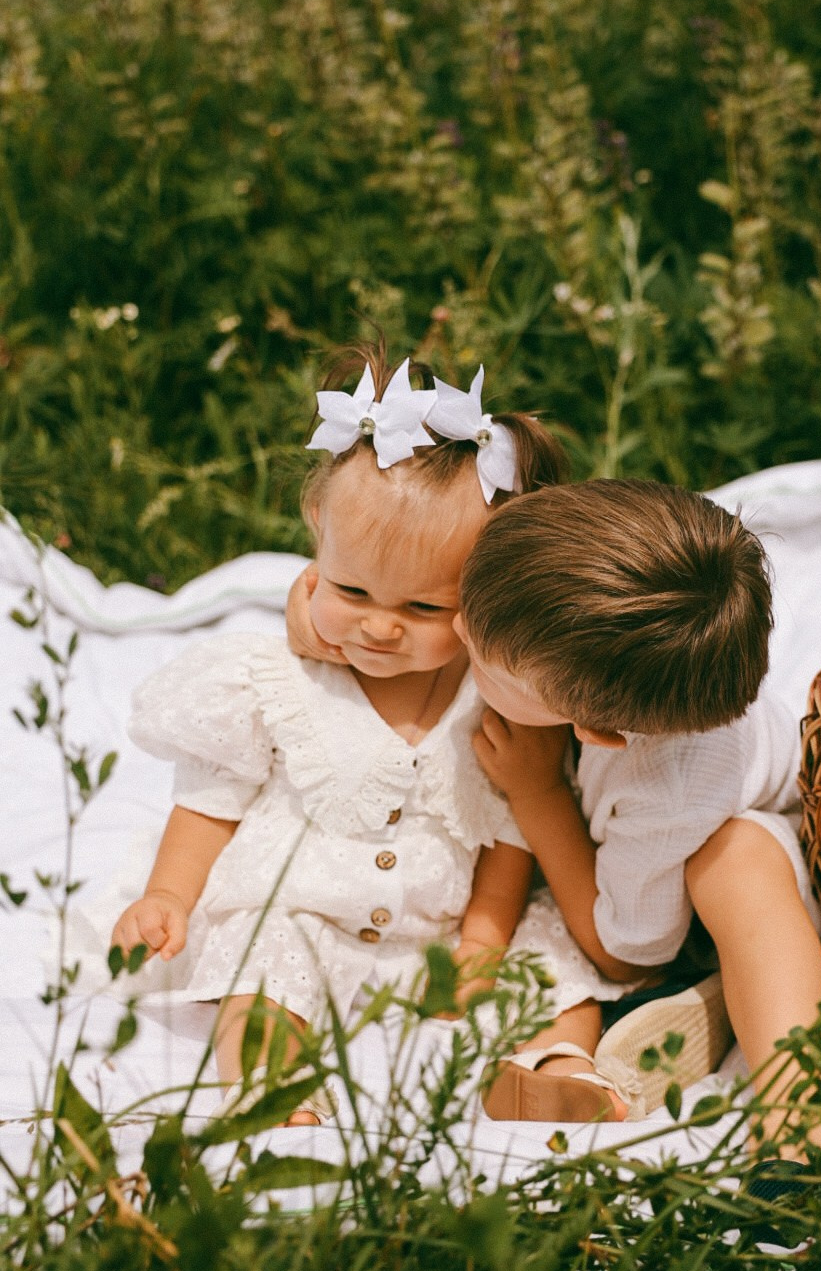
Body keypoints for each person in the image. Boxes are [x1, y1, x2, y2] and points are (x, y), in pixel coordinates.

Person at [110, 346, 640, 1127]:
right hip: (303, 909)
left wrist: (485, 940)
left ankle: (552, 1067)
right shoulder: (273, 679)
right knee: (262, 963)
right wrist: (168, 893)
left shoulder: (495, 694)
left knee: (548, 961)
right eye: (353, 591)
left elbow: (505, 829)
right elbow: (210, 798)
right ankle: (268, 1085)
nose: (381, 627)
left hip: (444, 929)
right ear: (316, 535)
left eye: (426, 610)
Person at [288, 475, 821, 1155]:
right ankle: (641, 1030)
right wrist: (311, 614)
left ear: (593, 732)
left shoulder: (666, 783)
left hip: (743, 884)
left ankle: (797, 1124)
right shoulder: (561, 617)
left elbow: (625, 948)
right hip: (632, 860)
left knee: (736, 857)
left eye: (482, 661)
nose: (457, 628)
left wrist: (537, 794)